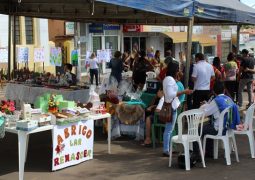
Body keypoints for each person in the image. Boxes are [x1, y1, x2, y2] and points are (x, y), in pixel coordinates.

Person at [193, 81, 240, 158]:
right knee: (208, 127)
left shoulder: (216, 101)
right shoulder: (228, 99)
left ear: (213, 91)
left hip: (218, 129)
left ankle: (196, 154)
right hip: (228, 127)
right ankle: (209, 152)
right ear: (224, 90)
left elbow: (205, 113)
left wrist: (204, 106)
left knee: (198, 130)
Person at [161, 62, 180, 157]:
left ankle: (168, 148)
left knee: (170, 129)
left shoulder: (169, 79)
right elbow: (170, 94)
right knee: (169, 129)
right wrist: (183, 92)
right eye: (178, 69)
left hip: (171, 105)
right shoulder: (169, 79)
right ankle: (166, 149)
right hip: (171, 107)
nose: (179, 71)